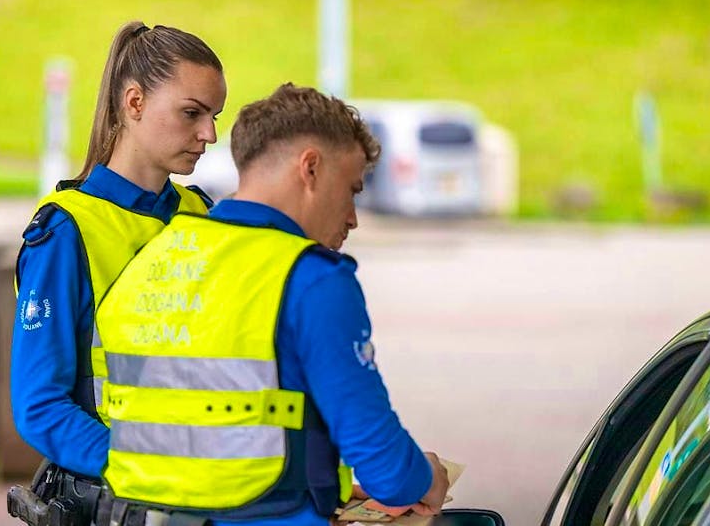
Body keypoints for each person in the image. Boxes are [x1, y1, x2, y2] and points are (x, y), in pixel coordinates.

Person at [93, 83, 450, 526]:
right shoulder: (311, 278)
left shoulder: (152, 261)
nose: (353, 217)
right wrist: (426, 478)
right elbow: (385, 467)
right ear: (312, 168)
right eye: (352, 189)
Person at [8, 21, 227, 525]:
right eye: (192, 113)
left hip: (200, 499)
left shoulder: (205, 217)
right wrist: (150, 467)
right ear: (134, 103)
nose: (210, 134)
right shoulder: (67, 230)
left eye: (214, 116)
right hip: (115, 501)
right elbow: (41, 405)